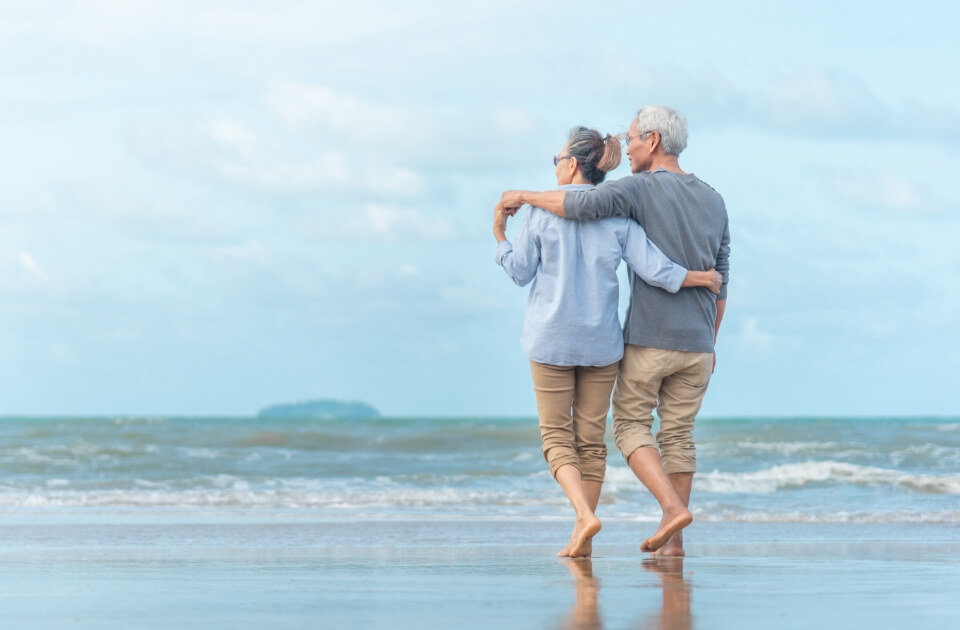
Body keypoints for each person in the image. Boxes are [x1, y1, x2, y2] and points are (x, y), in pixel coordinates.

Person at [496, 106, 731, 557]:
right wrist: (701, 292)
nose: (629, 149)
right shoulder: (679, 207)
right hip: (637, 344)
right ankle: (657, 541)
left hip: (585, 340)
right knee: (614, 439)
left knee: (579, 434)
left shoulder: (591, 203)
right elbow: (676, 270)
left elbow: (530, 260)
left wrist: (506, 224)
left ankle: (594, 518)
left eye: (633, 140)